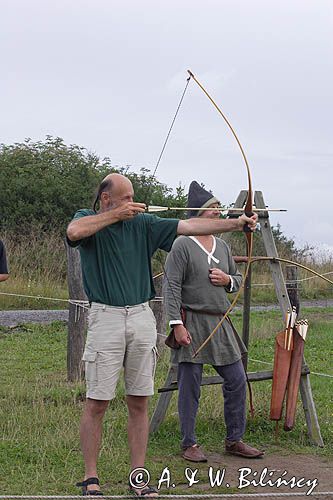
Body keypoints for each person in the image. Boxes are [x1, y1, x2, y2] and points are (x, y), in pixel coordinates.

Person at [66, 173, 257, 496]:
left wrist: (237, 224)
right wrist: (115, 216)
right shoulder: (87, 219)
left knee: (139, 400)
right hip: (106, 316)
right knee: (97, 401)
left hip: (141, 315)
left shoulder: (144, 224)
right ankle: (91, 478)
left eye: (133, 197)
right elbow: (73, 233)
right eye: (126, 198)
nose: (132, 203)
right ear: (106, 198)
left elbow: (191, 227)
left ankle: (137, 477)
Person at [163, 181, 264, 463]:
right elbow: (170, 286)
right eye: (212, 209)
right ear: (197, 214)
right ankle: (189, 443)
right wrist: (176, 324)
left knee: (236, 379)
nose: (218, 213)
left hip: (219, 324)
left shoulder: (221, 245)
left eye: (219, 208)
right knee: (190, 384)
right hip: (191, 321)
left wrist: (227, 279)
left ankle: (234, 439)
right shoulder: (182, 244)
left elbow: (237, 280)